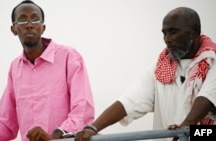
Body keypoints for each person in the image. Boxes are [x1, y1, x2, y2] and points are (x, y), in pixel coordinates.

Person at [75, 7, 216, 141]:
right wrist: (93, 127)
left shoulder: (212, 61)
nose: (167, 39)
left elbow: (207, 98)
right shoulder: (161, 66)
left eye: (173, 32)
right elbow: (129, 101)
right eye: (164, 33)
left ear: (195, 31)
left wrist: (185, 127)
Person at [0, 0, 95, 141]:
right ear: (13, 30)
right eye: (22, 20)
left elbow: (82, 109)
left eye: (35, 19)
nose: (29, 25)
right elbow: (6, 119)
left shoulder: (69, 57)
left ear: (43, 27)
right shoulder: (15, 67)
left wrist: (56, 136)